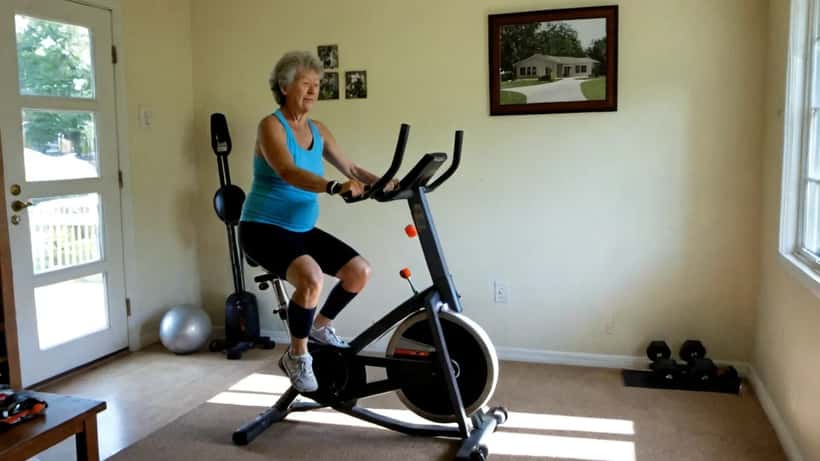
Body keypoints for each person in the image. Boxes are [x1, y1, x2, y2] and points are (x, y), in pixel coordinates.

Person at [238, 51, 396, 393]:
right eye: (305, 83)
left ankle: (320, 326)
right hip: (262, 228)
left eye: (317, 85)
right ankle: (296, 355)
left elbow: (351, 169)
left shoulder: (317, 129)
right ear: (283, 86)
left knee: (359, 271)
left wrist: (390, 182)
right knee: (310, 279)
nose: (313, 91)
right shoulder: (270, 126)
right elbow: (287, 171)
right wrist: (332, 187)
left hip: (301, 228)